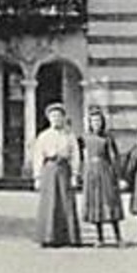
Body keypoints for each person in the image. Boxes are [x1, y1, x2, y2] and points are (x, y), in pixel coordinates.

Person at [32, 102, 81, 247]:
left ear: (63, 118)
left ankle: (69, 238)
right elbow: (38, 156)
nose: (56, 119)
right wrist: (37, 177)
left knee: (66, 202)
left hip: (64, 169)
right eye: (53, 116)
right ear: (48, 118)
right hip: (49, 169)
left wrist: (74, 174)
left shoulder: (69, 135)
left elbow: (75, 155)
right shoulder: (43, 136)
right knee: (50, 202)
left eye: (59, 116)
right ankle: (48, 237)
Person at [80, 108, 123, 246]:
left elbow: (114, 157)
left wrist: (117, 175)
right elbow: (83, 156)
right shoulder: (85, 138)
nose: (96, 123)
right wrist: (82, 173)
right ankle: (100, 238)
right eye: (93, 121)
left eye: (98, 120)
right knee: (95, 203)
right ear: (90, 123)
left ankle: (118, 237)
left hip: (105, 171)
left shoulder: (108, 138)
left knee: (110, 202)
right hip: (91, 172)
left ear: (102, 122)